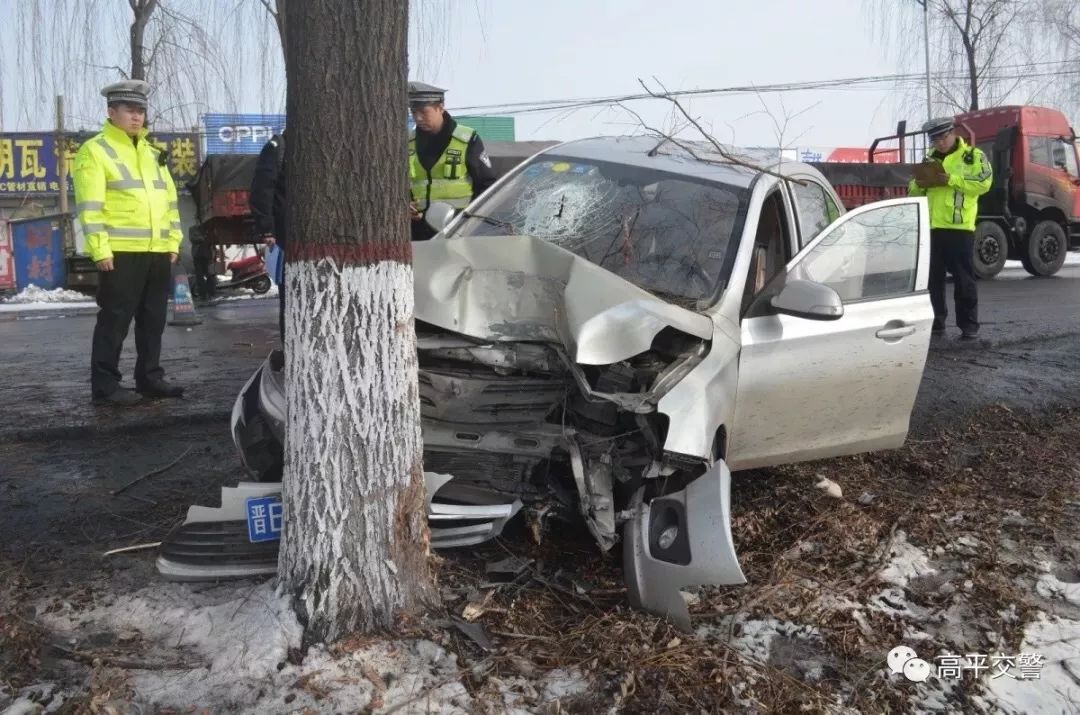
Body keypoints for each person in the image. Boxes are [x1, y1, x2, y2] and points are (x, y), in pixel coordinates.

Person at [74, 79, 185, 406]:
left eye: (141, 111)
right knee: (114, 321)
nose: (137, 117)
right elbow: (90, 206)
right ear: (112, 112)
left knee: (153, 320)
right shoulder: (95, 150)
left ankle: (150, 378)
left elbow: (171, 203)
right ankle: (105, 387)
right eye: (129, 111)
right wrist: (100, 248)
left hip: (158, 251)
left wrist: (173, 242)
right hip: (120, 253)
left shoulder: (154, 154)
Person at [908, 117, 992, 340]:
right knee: (932, 280)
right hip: (933, 228)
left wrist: (952, 180)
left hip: (959, 228)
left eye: (943, 138)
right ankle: (936, 322)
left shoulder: (973, 156)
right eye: (935, 140)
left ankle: (969, 325)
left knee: (964, 279)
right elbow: (913, 192)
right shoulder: (929, 159)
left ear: (952, 133)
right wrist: (919, 182)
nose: (940, 143)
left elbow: (984, 183)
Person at [407, 81, 497, 241]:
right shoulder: (408, 142)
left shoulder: (467, 139)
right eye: (413, 112)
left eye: (423, 112)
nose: (417, 118)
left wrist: (470, 222)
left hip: (457, 230)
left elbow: (487, 185)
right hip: (417, 232)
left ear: (440, 107)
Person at [251, 131, 286, 339]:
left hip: (313, 240)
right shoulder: (277, 148)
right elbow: (261, 191)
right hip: (285, 239)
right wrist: (267, 229)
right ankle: (291, 352)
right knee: (290, 301)